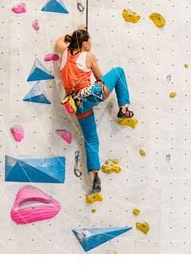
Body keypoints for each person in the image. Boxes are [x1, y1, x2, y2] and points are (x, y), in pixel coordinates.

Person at [55, 25, 134, 196]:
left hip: (75, 104)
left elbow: (59, 41)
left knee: (91, 139)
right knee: (118, 72)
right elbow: (100, 78)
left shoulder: (63, 55)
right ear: (84, 44)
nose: (91, 45)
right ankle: (123, 108)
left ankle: (94, 176)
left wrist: (75, 31)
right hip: (90, 96)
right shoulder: (88, 56)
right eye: (89, 42)